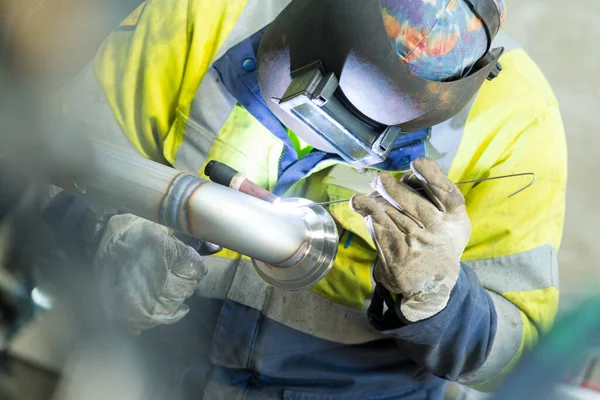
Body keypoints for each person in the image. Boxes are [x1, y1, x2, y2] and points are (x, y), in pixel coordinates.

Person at [53, 0, 567, 399]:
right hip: (148, 373)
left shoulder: (518, 116)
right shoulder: (217, 11)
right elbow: (55, 159)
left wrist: (442, 302)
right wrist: (105, 238)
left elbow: (518, 359)